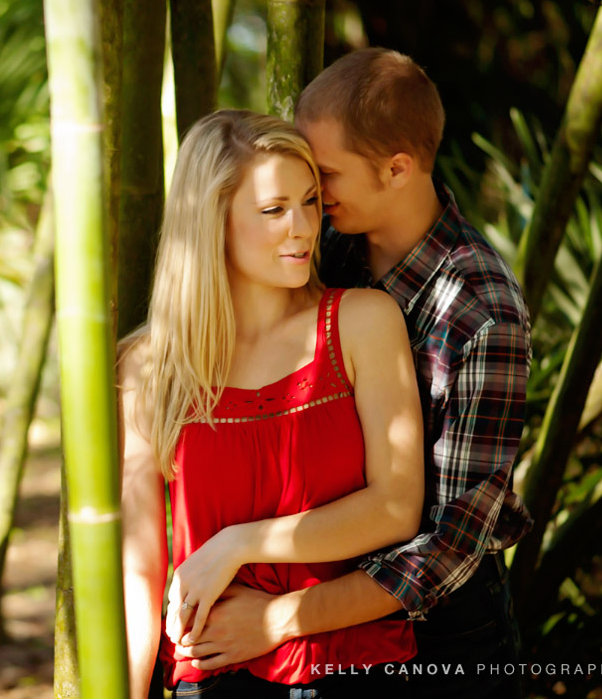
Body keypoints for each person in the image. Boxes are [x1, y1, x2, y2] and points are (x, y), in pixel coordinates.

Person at [173, 49, 533, 698]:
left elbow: (445, 549)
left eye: (324, 178)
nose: (308, 207)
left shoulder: (483, 315)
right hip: (320, 637)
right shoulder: (326, 247)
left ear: (396, 169)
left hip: (442, 635)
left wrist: (279, 619)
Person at [118, 109, 427, 699]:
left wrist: (238, 544)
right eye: (273, 210)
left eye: (310, 202)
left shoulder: (362, 323)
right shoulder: (152, 368)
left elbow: (396, 508)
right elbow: (139, 574)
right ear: (211, 222)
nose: (304, 228)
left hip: (352, 670)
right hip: (212, 677)